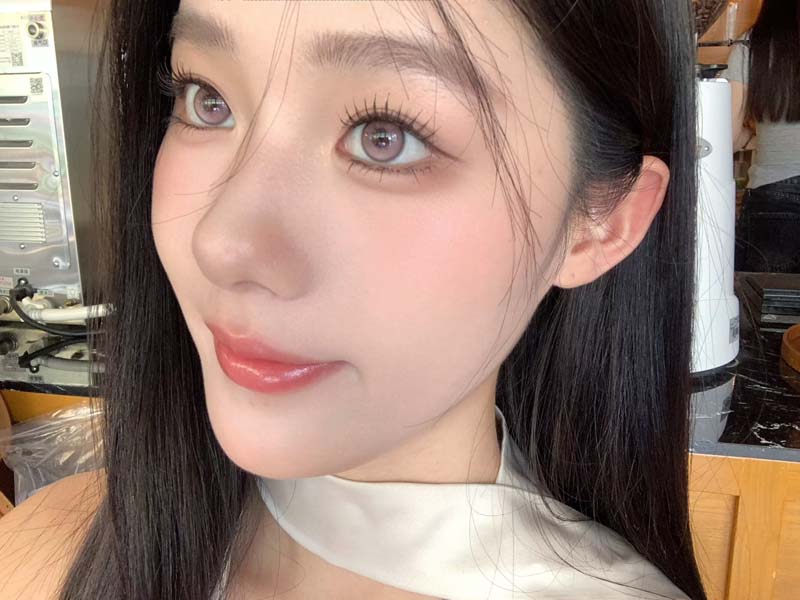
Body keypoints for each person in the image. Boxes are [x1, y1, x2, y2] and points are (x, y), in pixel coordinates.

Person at [0, 1, 708, 598]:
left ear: (600, 222)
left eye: (386, 137)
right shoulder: (51, 548)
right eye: (206, 99)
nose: (221, 243)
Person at [727, 0, 800, 274]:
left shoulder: (751, 45)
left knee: (766, 298)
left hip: (774, 197)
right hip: (775, 199)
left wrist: (755, 137)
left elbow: (729, 137)